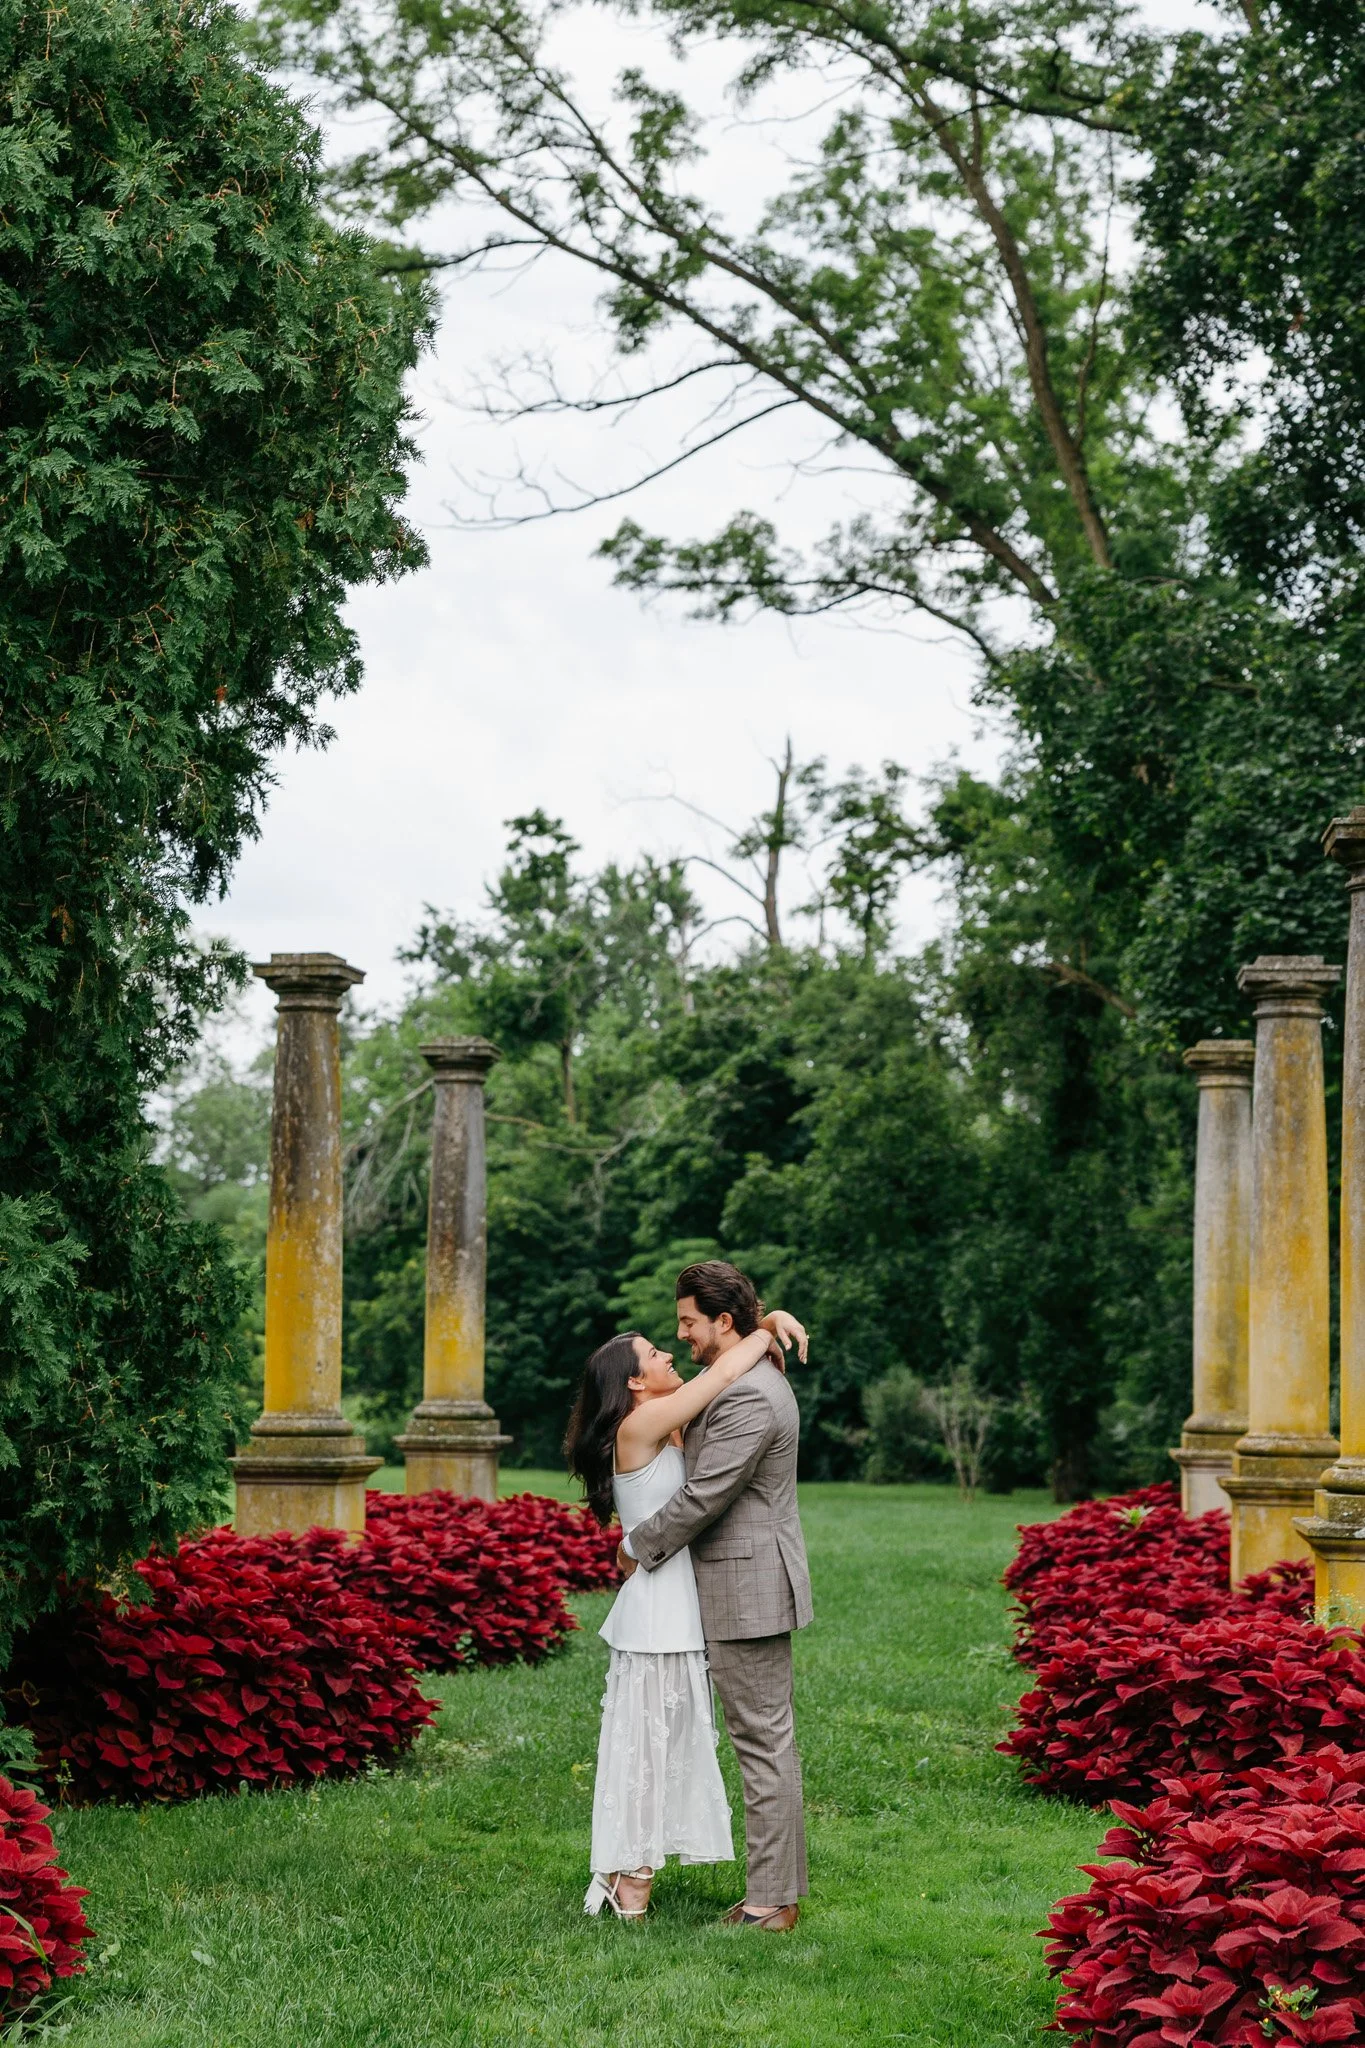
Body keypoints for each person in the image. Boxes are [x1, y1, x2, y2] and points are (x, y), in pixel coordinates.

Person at [565, 1296, 807, 1921]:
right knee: (644, 1748)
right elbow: (722, 1374)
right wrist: (766, 1327)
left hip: (680, 1605)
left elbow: (715, 1389)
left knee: (667, 1746)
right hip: (656, 1612)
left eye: (677, 1332)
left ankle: (631, 1872)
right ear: (635, 1382)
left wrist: (762, 1321)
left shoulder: (665, 1422)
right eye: (653, 1352)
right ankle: (630, 1879)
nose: (669, 1349)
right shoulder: (639, 1425)